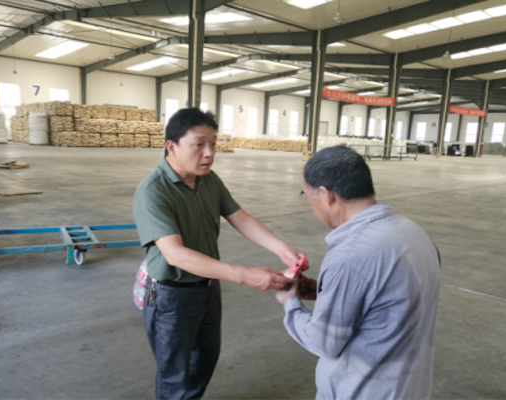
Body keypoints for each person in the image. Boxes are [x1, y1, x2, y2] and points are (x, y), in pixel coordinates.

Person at [133, 107, 304, 400]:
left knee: (205, 359)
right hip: (172, 295)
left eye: (213, 144)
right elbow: (176, 255)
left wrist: (283, 249)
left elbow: (240, 218)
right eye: (199, 144)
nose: (209, 153)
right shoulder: (153, 191)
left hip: (208, 288)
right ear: (171, 147)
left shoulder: (209, 180)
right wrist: (244, 275)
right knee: (175, 373)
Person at [275, 145, 441, 400]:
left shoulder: (348, 257)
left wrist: (291, 303)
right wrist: (324, 290)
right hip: (411, 388)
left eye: (308, 196)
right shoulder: (414, 233)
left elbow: (324, 341)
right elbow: (391, 294)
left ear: (326, 195)